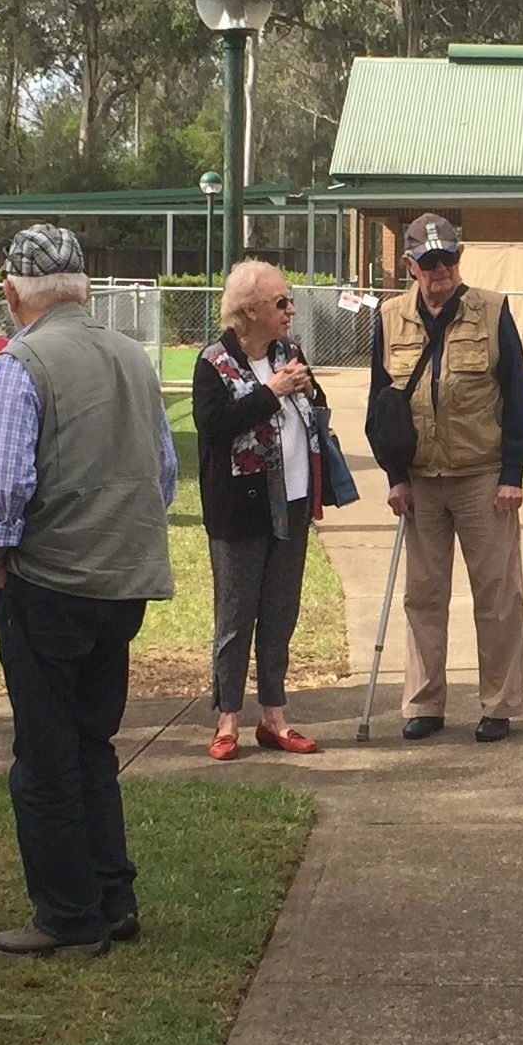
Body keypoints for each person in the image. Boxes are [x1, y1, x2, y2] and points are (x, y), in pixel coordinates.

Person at [0, 224, 178, 959]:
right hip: (121, 580)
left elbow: (2, 485)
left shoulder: (23, 362)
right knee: (93, 743)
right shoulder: (131, 356)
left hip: (48, 578)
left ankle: (68, 912)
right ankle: (111, 895)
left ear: (11, 293)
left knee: (46, 755)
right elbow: (161, 474)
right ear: (86, 287)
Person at [371, 213, 523, 742]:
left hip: (482, 476)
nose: (440, 271)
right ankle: (423, 703)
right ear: (410, 265)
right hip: (420, 480)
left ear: (458, 259)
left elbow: (517, 397)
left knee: (497, 594)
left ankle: (499, 704)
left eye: (448, 259)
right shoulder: (390, 317)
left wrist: (513, 473)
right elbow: (382, 405)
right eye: (428, 261)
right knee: (423, 595)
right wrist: (395, 476)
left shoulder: (492, 310)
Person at [192, 257, 331, 761]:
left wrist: (308, 388)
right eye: (280, 302)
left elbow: (313, 405)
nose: (290, 309)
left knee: (279, 613)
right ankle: (227, 718)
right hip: (239, 511)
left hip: (291, 504)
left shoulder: (289, 351)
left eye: (289, 300)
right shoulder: (214, 361)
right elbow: (213, 427)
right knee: (235, 614)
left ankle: (274, 715)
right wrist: (269, 392)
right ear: (249, 310)